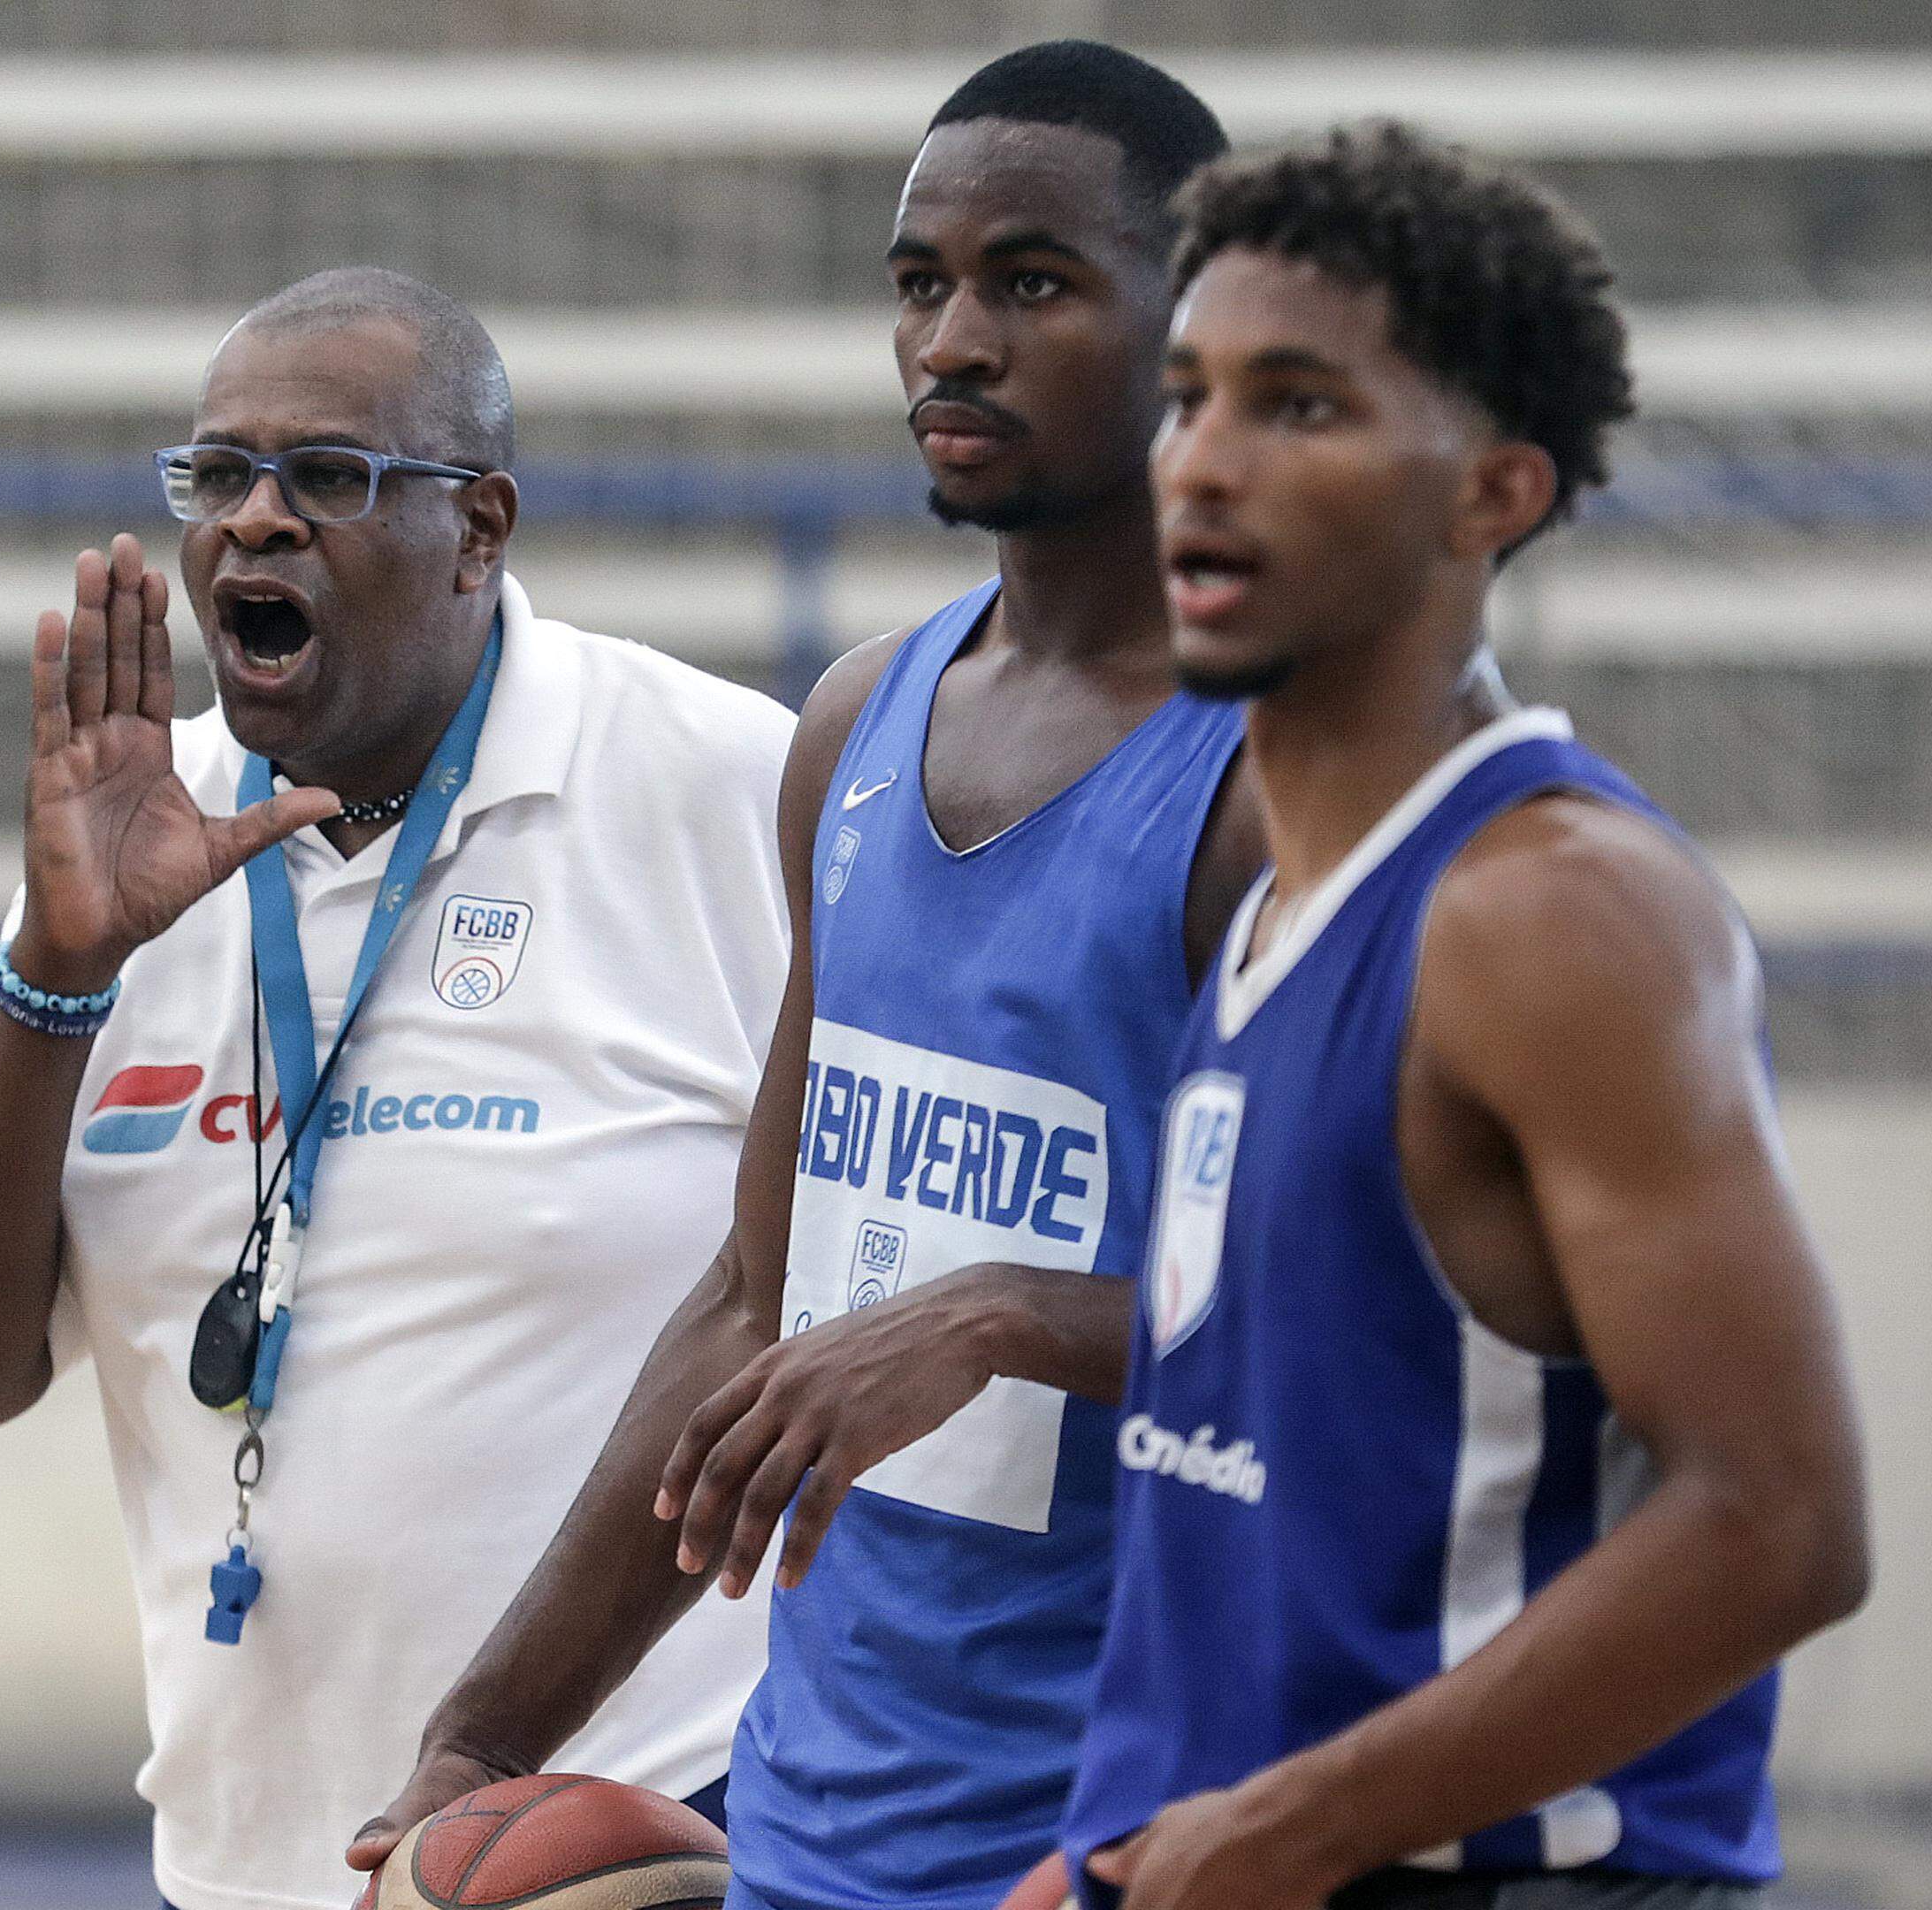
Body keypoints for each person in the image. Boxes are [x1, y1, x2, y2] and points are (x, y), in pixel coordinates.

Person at [355, 44, 1265, 1910]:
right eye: (921, 285)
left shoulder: (1279, 783)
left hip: (1139, 1840)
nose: (953, 340)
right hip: (814, 1831)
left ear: (1203, 325)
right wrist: (492, 1731)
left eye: (1033, 281)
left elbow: (1373, 1340)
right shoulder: (855, 725)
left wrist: (1004, 1312)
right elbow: (753, 1301)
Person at [0, 267, 790, 1910]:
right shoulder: (133, 824)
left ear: (480, 529)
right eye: (218, 478)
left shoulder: (724, 788)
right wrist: (57, 969)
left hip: (643, 1848)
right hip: (248, 1867)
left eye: (329, 479)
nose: (254, 524)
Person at [1061, 125, 1871, 1910]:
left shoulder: (1554, 914)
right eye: (1188, 396)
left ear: (1495, 493)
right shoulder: (1283, 892)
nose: (1203, 462)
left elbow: (1782, 1524)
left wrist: (1293, 1824)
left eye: (1301, 408)